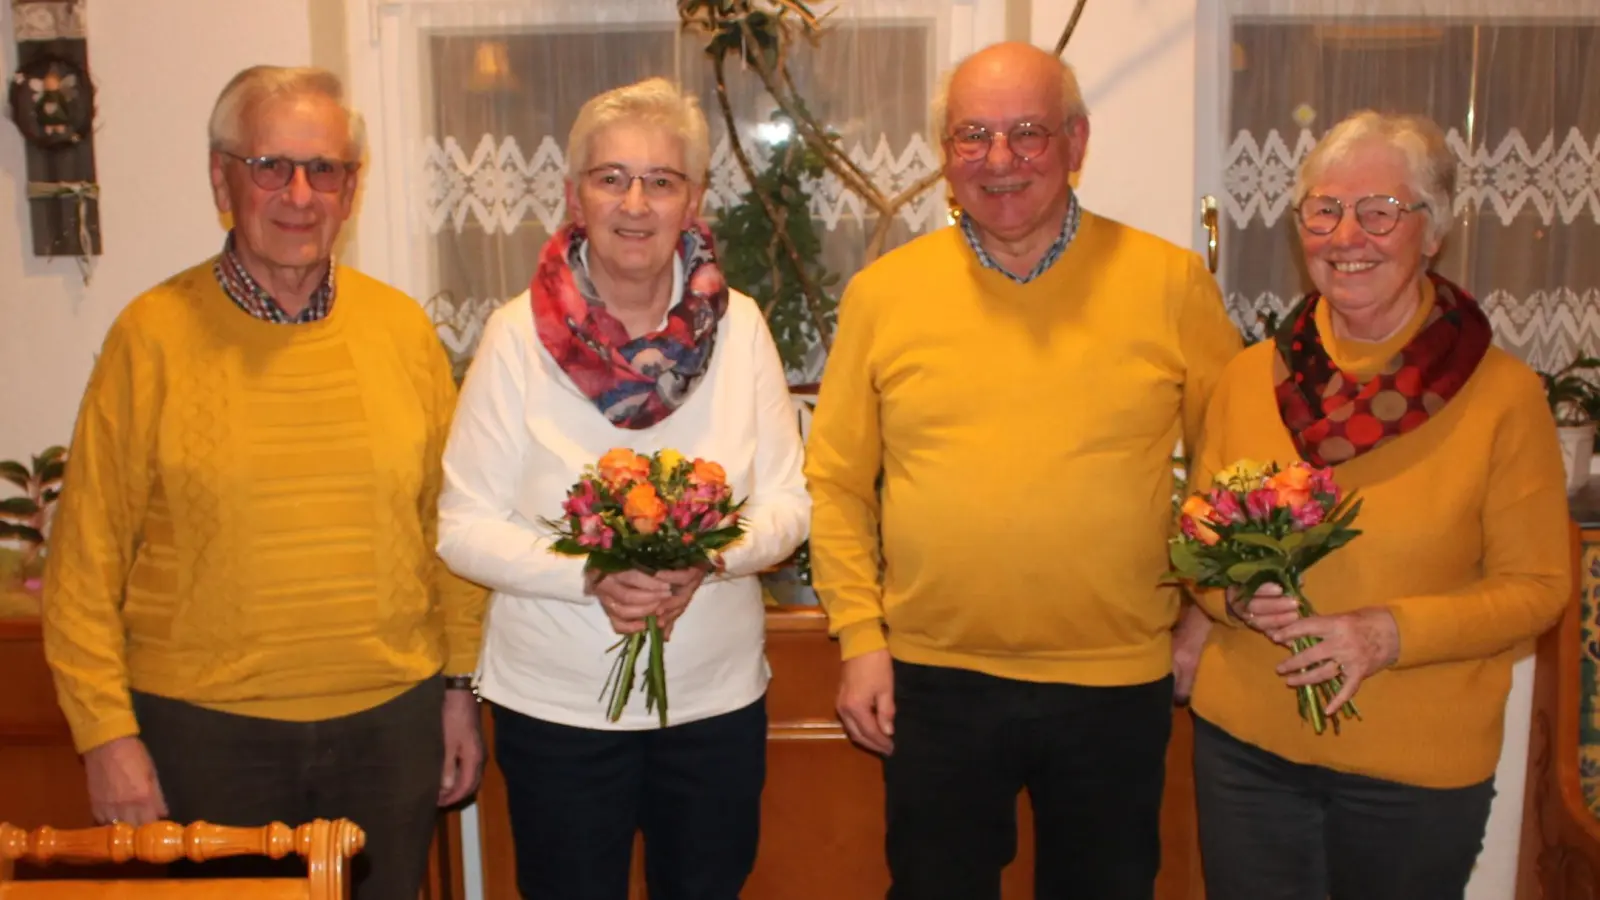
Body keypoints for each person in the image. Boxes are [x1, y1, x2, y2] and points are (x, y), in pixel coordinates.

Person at [804, 41, 1243, 900]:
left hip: (1116, 680)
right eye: (973, 135)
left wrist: (1206, 620)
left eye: (1027, 133)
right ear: (944, 154)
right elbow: (838, 483)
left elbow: (1236, 475)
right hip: (934, 681)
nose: (999, 161)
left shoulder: (1171, 283)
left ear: (1077, 143)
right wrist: (861, 639)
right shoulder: (884, 294)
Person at [40, 65, 487, 899]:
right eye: (270, 166)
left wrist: (460, 691)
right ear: (222, 177)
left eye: (325, 170)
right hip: (206, 739)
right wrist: (106, 736)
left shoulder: (401, 331)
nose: (299, 193)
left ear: (351, 190)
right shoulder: (151, 339)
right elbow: (84, 563)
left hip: (388, 730)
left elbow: (448, 531)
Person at [435, 76, 810, 900]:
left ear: (695, 200)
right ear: (575, 196)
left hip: (713, 708)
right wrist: (587, 572)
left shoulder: (740, 329)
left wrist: (704, 560)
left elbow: (787, 507)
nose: (635, 203)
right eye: (611, 178)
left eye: (661, 181)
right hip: (557, 715)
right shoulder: (511, 337)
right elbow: (463, 525)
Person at [1181, 110, 1572, 900]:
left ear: (1432, 233)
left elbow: (1538, 588)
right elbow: (1199, 535)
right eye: (1324, 211)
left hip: (1414, 777)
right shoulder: (1250, 376)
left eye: (1381, 211)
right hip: (1247, 755)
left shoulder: (1504, 396)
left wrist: (1388, 633)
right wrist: (1232, 594)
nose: (1346, 235)